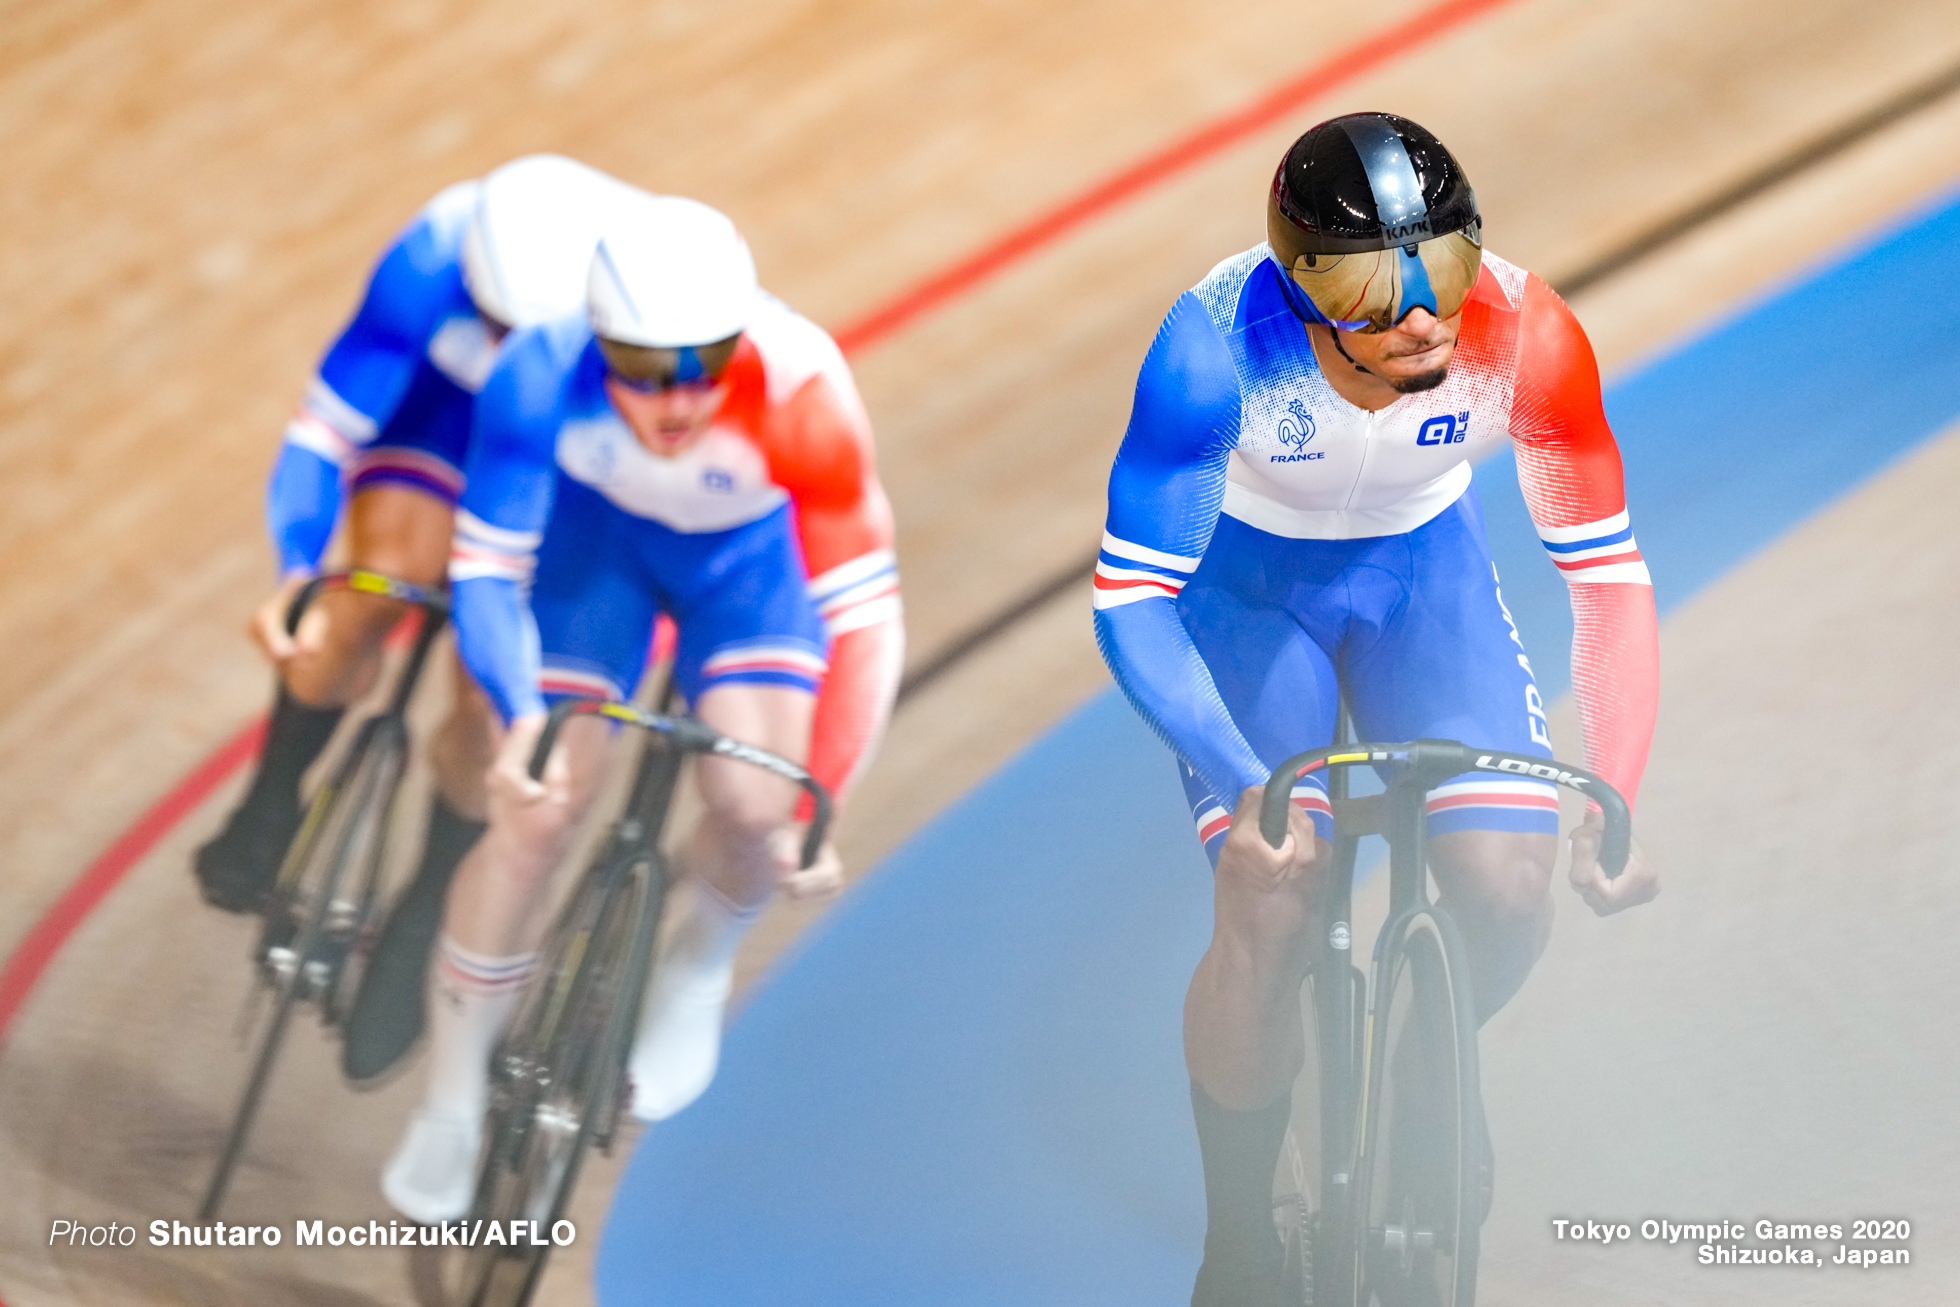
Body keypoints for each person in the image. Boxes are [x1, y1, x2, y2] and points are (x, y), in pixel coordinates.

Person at [1092, 112, 1661, 1304]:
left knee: (1509, 883)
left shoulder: (1527, 330)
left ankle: (1421, 1079)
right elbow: (1133, 599)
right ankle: (1240, 1230)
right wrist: (1238, 773)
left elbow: (1606, 573)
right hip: (1250, 591)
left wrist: (1619, 780)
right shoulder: (1211, 352)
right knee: (1276, 886)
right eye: (1368, 282)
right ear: (1298, 285)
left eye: (1442, 265)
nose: (1418, 313)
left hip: (1421, 576)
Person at [380, 192, 903, 1223]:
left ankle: (698, 966)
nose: (674, 400)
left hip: (745, 570)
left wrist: (820, 799)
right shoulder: (536, 371)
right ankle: (448, 1099)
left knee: (757, 808)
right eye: (641, 367)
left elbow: (867, 617)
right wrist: (517, 713)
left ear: (739, 338)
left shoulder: (801, 391)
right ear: (594, 339)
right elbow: (487, 566)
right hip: (593, 557)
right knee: (536, 804)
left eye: (701, 362)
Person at [191, 155, 638, 1078]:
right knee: (370, 589)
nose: (508, 337)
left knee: (490, 707)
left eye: (528, 326)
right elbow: (325, 435)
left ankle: (430, 897)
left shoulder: (641, 311)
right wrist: (296, 573)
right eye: (492, 319)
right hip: (443, 419)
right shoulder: (433, 253)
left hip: (569, 460)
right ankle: (274, 797)